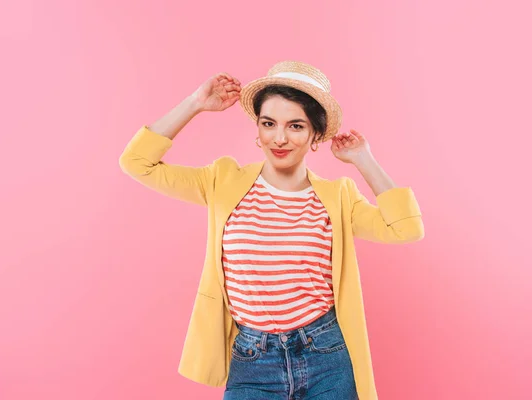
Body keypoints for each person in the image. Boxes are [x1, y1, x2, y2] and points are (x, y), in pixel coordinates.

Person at [119, 60, 424, 400]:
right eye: (269, 123)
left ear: (315, 136)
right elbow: (136, 162)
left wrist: (363, 159)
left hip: (326, 355)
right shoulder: (222, 180)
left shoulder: (338, 197)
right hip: (252, 359)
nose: (279, 138)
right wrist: (195, 104)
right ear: (258, 129)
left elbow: (406, 229)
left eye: (296, 126)